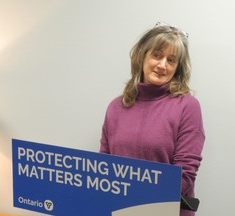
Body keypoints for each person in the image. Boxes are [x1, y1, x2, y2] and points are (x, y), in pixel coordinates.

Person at [99, 22, 205, 216]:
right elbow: (103, 167)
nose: (162, 65)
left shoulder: (187, 106)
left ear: (177, 68)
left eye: (171, 60)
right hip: (119, 211)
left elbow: (185, 175)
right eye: (157, 55)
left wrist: (136, 205)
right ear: (142, 56)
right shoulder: (116, 107)